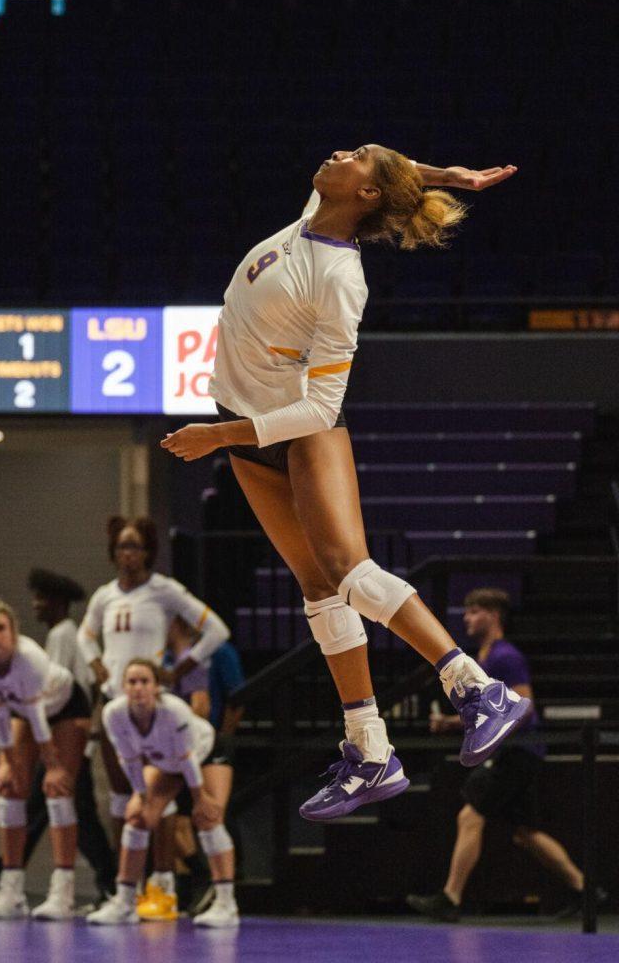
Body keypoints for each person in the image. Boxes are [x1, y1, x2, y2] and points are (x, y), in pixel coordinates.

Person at [161, 146, 529, 818]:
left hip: (297, 432)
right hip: (245, 429)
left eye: (356, 159)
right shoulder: (316, 214)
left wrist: (218, 437)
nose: (342, 152)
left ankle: (478, 689)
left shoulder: (339, 277)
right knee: (318, 592)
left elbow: (321, 410)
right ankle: (369, 748)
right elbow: (389, 174)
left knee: (347, 568)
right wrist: (449, 176)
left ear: (363, 195)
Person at [407, 588, 592, 921]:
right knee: (525, 833)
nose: (466, 618)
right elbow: (488, 710)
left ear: (493, 615)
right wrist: (451, 723)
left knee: (470, 816)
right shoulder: (483, 656)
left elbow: (525, 705)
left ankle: (450, 898)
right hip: (517, 751)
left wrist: (490, 728)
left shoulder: (505, 656)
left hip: (515, 752)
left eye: (474, 611)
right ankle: (586, 891)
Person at [78, 516, 230, 852]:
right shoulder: (105, 596)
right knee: (121, 795)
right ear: (112, 552)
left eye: (134, 546)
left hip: (153, 705)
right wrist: (95, 662)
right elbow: (85, 635)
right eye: (121, 546)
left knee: (157, 795)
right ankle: (125, 889)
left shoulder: (164, 591)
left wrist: (179, 670)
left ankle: (162, 881)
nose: (127, 553)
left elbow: (217, 629)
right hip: (114, 704)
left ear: (147, 551)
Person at [0, 569, 115, 905]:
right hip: (43, 724)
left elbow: (67, 692)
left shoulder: (63, 635)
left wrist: (64, 753)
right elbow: (12, 705)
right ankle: (7, 880)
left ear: (59, 603)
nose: (36, 605)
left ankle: (100, 885)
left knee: (62, 799)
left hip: (63, 723)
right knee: (36, 800)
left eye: (42, 599)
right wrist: (9, 758)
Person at [0, 599, 90, 921]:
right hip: (21, 710)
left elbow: (38, 718)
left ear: (13, 634)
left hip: (64, 708)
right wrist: (7, 761)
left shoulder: (29, 658)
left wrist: (54, 766)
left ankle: (63, 892)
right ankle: (11, 890)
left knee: (58, 789)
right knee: (10, 787)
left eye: (1, 628)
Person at [87, 659, 239, 928]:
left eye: (145, 681)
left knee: (208, 817)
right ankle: (124, 901)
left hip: (207, 753)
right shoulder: (114, 714)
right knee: (136, 815)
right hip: (167, 764)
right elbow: (130, 760)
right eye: (132, 682)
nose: (138, 688)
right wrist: (142, 796)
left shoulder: (174, 711)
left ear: (157, 687)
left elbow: (187, 759)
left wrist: (199, 799)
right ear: (123, 687)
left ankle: (226, 905)